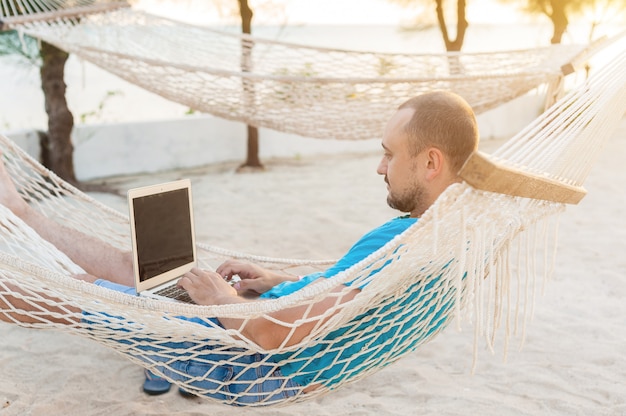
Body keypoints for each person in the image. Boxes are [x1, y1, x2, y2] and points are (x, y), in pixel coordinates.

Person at [0, 90, 479, 404]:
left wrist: (221, 301)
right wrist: (277, 281)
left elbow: (274, 338)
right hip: (268, 325)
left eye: (390, 154)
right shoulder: (442, 234)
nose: (380, 167)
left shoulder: (409, 242)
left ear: (431, 161)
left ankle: (22, 220)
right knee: (149, 271)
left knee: (71, 292)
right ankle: (21, 214)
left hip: (245, 360)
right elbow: (352, 293)